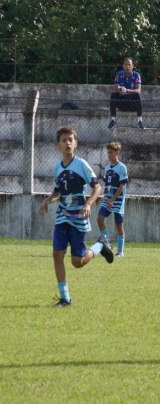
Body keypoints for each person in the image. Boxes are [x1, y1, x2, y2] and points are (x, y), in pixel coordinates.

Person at [38, 125, 114, 307]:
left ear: (76, 144)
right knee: (57, 254)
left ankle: (99, 247)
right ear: (58, 145)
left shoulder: (81, 165)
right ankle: (65, 298)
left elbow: (97, 187)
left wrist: (88, 203)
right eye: (64, 140)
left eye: (70, 140)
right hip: (62, 216)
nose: (67, 143)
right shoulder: (57, 168)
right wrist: (48, 200)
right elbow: (58, 191)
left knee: (77, 262)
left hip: (78, 217)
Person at [97, 141, 128, 258]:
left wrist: (113, 199)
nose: (109, 154)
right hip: (107, 199)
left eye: (111, 152)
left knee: (119, 225)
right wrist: (106, 198)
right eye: (108, 152)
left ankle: (120, 251)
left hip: (117, 201)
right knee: (99, 219)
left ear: (117, 153)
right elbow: (107, 184)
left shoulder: (122, 168)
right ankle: (107, 243)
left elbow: (121, 186)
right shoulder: (107, 167)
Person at [109, 57, 144, 130]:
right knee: (113, 95)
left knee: (137, 95)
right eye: (125, 64)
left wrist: (127, 90)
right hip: (122, 103)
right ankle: (113, 121)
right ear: (123, 65)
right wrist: (120, 89)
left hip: (133, 105)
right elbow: (116, 87)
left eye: (129, 65)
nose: (127, 66)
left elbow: (138, 90)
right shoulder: (119, 74)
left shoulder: (136, 75)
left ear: (132, 66)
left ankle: (140, 121)